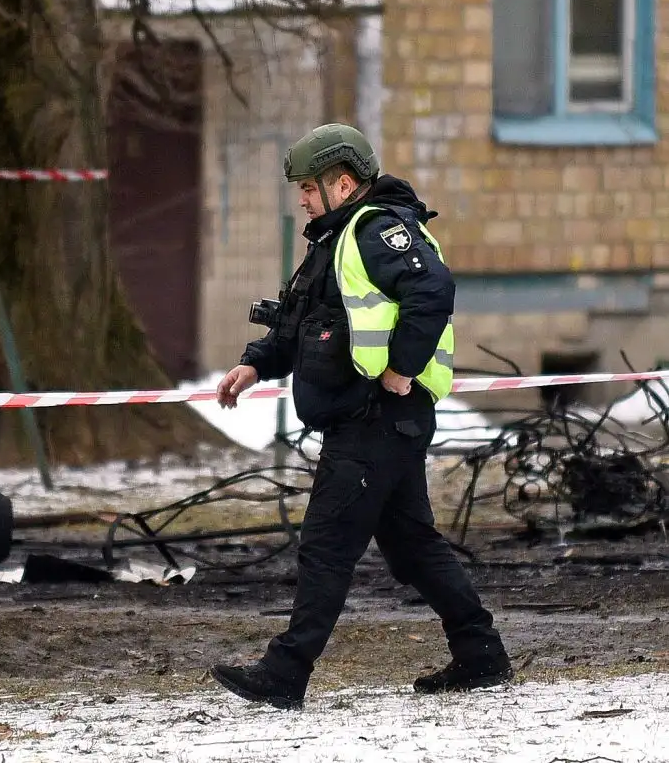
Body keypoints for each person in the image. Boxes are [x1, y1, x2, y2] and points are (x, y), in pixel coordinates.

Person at [209, 123, 512, 710]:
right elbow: (305, 323)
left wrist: (401, 367)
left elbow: (433, 291)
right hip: (374, 420)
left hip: (377, 417)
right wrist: (254, 365)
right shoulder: (335, 239)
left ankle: (284, 672)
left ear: (341, 183)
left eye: (306, 187)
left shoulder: (378, 230)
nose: (300, 198)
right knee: (412, 547)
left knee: (326, 544)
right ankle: (482, 656)